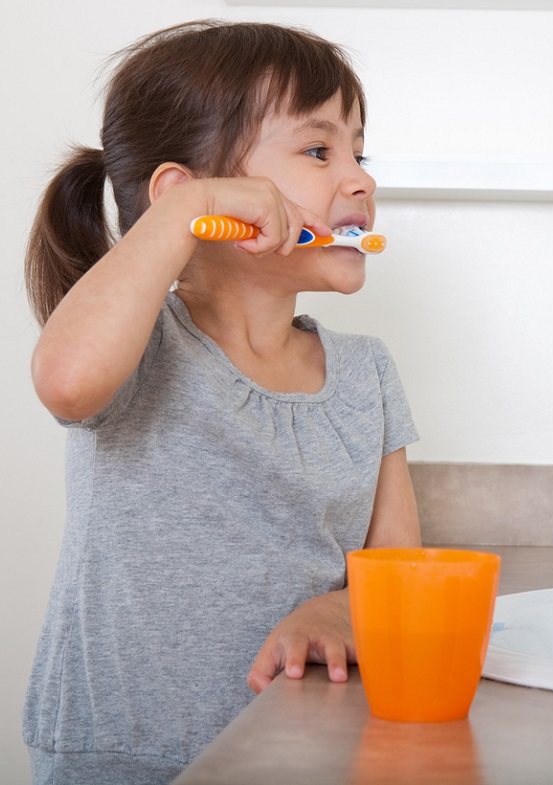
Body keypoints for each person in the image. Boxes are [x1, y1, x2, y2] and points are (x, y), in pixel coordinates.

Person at [23, 20, 421, 785]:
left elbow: (396, 563)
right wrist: (178, 215)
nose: (361, 180)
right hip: (119, 757)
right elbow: (66, 379)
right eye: (318, 150)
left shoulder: (365, 373)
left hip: (299, 753)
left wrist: (342, 611)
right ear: (194, 196)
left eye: (358, 153)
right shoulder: (139, 345)